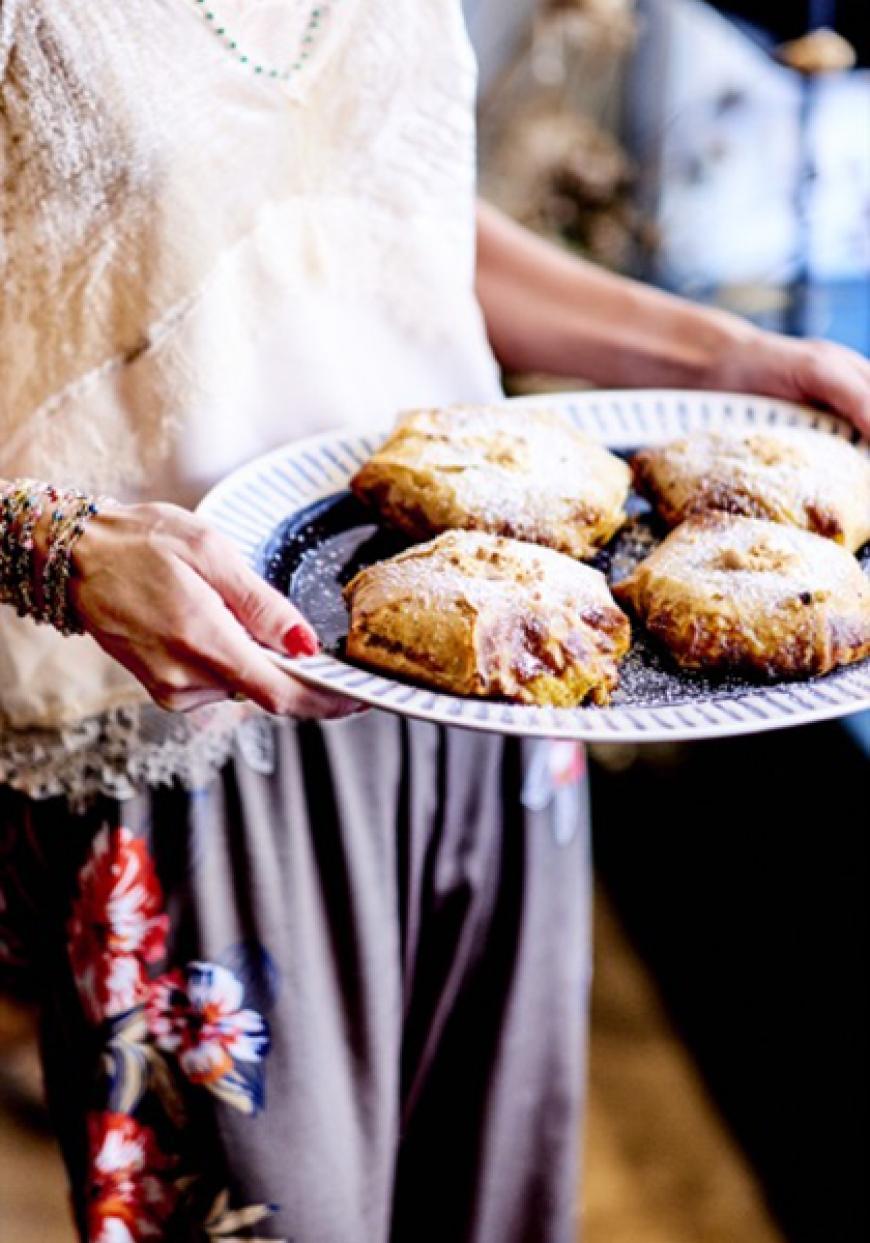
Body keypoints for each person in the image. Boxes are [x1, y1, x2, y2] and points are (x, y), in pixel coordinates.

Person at [0, 5, 867, 1242]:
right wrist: (58, 548)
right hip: (177, 713)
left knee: (491, 1199)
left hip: (497, 656)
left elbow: (384, 212)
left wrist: (724, 355)